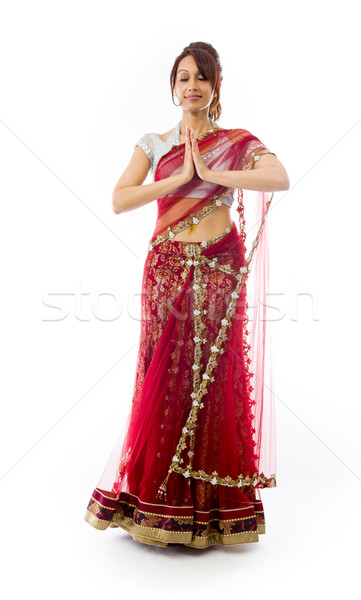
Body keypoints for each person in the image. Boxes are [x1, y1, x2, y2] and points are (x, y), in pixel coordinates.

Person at [84, 41, 290, 549]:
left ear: (216, 85)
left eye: (201, 76)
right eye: (182, 77)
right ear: (173, 87)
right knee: (165, 374)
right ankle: (157, 502)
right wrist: (178, 178)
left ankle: (214, 513)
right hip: (167, 269)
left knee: (213, 379)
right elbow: (119, 198)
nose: (191, 85)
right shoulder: (153, 142)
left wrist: (212, 174)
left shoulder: (237, 142)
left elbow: (278, 176)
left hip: (220, 267)